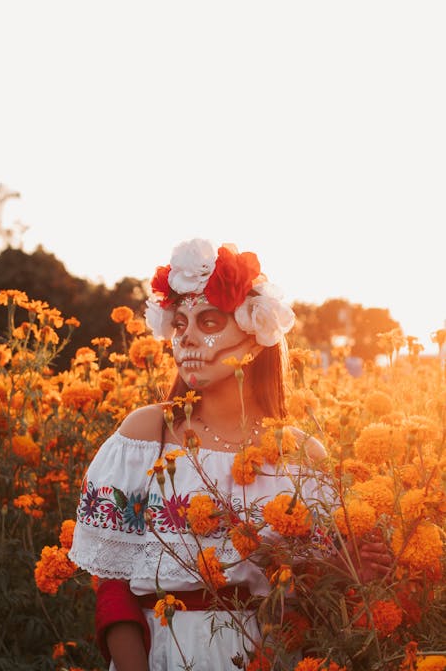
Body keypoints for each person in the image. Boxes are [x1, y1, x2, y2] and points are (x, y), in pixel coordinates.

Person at [68, 238, 392, 671]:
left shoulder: (301, 455)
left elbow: (306, 603)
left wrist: (345, 573)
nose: (188, 338)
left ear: (256, 334)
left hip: (264, 655)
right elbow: (112, 583)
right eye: (179, 324)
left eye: (209, 321)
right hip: (159, 653)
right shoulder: (146, 435)